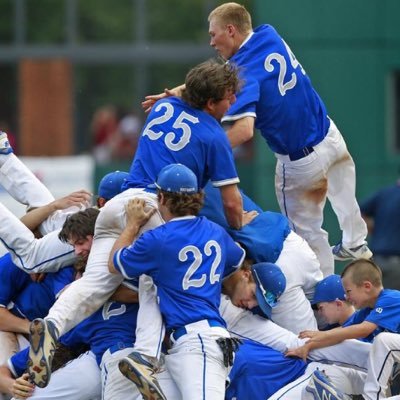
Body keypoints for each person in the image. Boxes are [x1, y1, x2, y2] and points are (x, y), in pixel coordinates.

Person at [27, 61, 255, 390]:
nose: (232, 104)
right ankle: (145, 355)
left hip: (120, 203)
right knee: (154, 279)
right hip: (151, 207)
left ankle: (51, 324)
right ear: (210, 102)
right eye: (228, 98)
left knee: (94, 284)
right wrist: (240, 223)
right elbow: (232, 203)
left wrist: (183, 89)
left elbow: (185, 93)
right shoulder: (213, 135)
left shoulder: (163, 106)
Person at [142, 2, 372, 277]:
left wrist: (210, 153)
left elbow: (244, 130)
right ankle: (355, 242)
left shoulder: (244, 75)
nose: (211, 41)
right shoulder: (267, 35)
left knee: (308, 235)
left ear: (230, 30)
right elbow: (225, 72)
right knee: (344, 197)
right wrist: (177, 92)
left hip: (299, 162)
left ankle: (321, 293)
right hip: (330, 137)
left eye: (214, 34)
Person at [109, 163, 246, 400]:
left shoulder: (158, 239)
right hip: (190, 342)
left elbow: (115, 264)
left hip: (199, 341)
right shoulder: (215, 231)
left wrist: (132, 224)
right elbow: (237, 259)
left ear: (161, 197)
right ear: (198, 196)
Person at [201, 182, 323, 333]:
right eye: (253, 296)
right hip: (281, 247)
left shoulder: (228, 254)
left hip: (276, 258)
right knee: (318, 328)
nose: (251, 304)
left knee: (306, 339)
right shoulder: (229, 251)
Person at [287, 259, 400, 399]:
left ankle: (371, 397)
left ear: (367, 286)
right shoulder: (366, 311)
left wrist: (320, 335)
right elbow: (340, 333)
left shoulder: (391, 298)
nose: (346, 296)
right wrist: (308, 346)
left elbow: (364, 329)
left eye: (348, 291)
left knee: (384, 340)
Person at [360, 177, 400, 289]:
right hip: (396, 264)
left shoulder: (384, 194)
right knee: (393, 303)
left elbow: (358, 213)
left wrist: (373, 229)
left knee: (375, 302)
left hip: (375, 261)